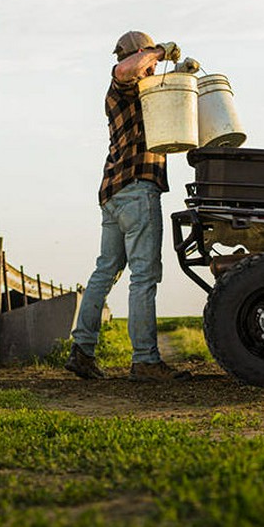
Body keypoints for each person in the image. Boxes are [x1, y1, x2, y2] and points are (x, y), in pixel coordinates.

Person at [65, 30, 190, 382]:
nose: (152, 67)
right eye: (147, 59)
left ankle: (82, 351)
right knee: (144, 276)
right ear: (138, 54)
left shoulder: (141, 93)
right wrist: (160, 50)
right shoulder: (124, 82)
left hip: (114, 192)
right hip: (137, 189)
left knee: (106, 270)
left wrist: (178, 72)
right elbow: (125, 70)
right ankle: (146, 360)